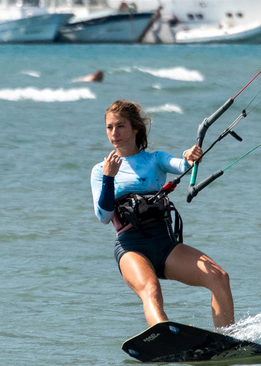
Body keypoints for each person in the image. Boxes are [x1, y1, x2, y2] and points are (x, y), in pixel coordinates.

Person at [92, 99, 233, 329]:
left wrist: (190, 156)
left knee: (219, 277)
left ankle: (228, 339)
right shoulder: (101, 170)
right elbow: (104, 216)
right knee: (151, 289)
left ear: (135, 128)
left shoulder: (154, 160)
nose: (114, 133)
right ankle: (165, 337)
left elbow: (182, 165)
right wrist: (109, 178)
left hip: (165, 245)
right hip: (131, 247)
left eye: (120, 126)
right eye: (109, 127)